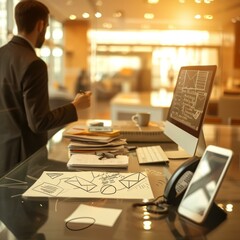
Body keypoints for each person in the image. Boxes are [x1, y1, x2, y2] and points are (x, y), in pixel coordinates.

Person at [0, 0, 92, 177]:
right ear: (40, 25)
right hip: (26, 161)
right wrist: (75, 106)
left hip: (3, 154)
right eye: (48, 26)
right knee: (30, 205)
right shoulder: (34, 64)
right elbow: (39, 122)